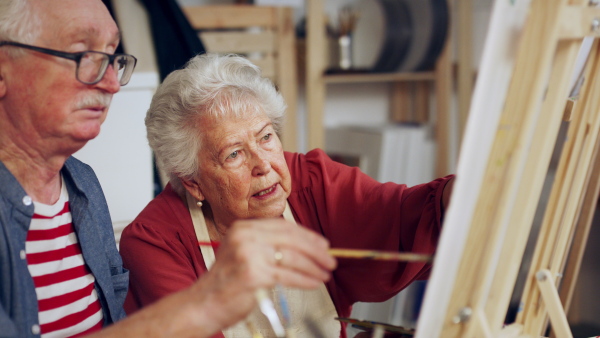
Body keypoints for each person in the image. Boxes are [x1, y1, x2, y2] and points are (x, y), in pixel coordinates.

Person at [0, 1, 336, 337]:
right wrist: (206, 302)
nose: (112, 84)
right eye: (82, 55)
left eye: (111, 57)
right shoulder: (153, 236)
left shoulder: (83, 184)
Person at [119, 53, 455, 338]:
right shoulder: (154, 244)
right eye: (234, 154)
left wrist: (462, 194)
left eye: (266, 137)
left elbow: (403, 216)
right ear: (192, 182)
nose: (263, 165)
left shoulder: (310, 181)